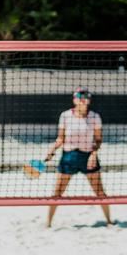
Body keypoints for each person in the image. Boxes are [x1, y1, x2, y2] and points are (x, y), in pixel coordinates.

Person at [44, 87, 112, 228]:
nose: (82, 100)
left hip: (88, 156)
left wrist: (94, 154)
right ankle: (48, 223)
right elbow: (60, 138)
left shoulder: (94, 116)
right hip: (69, 156)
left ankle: (109, 221)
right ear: (74, 100)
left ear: (88, 101)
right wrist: (52, 150)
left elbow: (98, 140)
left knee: (99, 192)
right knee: (57, 192)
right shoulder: (66, 115)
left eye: (84, 97)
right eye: (79, 97)